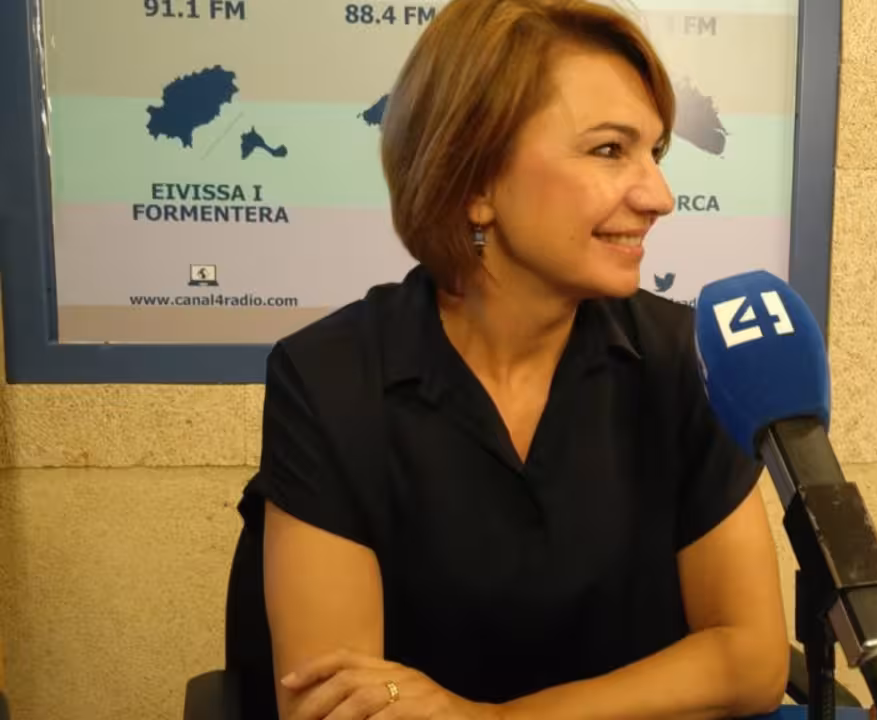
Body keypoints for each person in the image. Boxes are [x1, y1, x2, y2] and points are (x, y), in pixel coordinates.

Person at [225, 0, 789, 718]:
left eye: (655, 153)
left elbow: (750, 661)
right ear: (475, 183)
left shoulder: (686, 358)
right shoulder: (330, 378)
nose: (659, 196)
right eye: (609, 150)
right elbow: (338, 704)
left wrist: (491, 719)